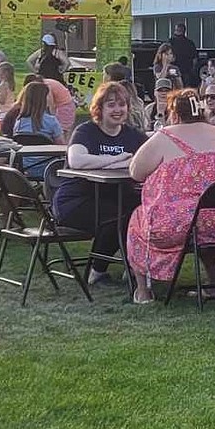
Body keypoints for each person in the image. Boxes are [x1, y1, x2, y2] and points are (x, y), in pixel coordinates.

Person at [126, 88, 215, 303]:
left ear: (174, 113)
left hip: (180, 224)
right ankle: (214, 287)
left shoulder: (166, 136)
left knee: (137, 219)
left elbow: (136, 172)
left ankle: (143, 292)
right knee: (206, 218)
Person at [50, 82, 149, 284]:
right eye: (111, 105)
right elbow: (77, 160)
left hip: (116, 196)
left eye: (122, 104)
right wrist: (115, 160)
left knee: (140, 211)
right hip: (76, 200)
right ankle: (97, 271)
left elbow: (151, 158)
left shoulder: (133, 135)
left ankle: (134, 267)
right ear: (100, 108)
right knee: (118, 217)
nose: (117, 110)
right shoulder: (86, 131)